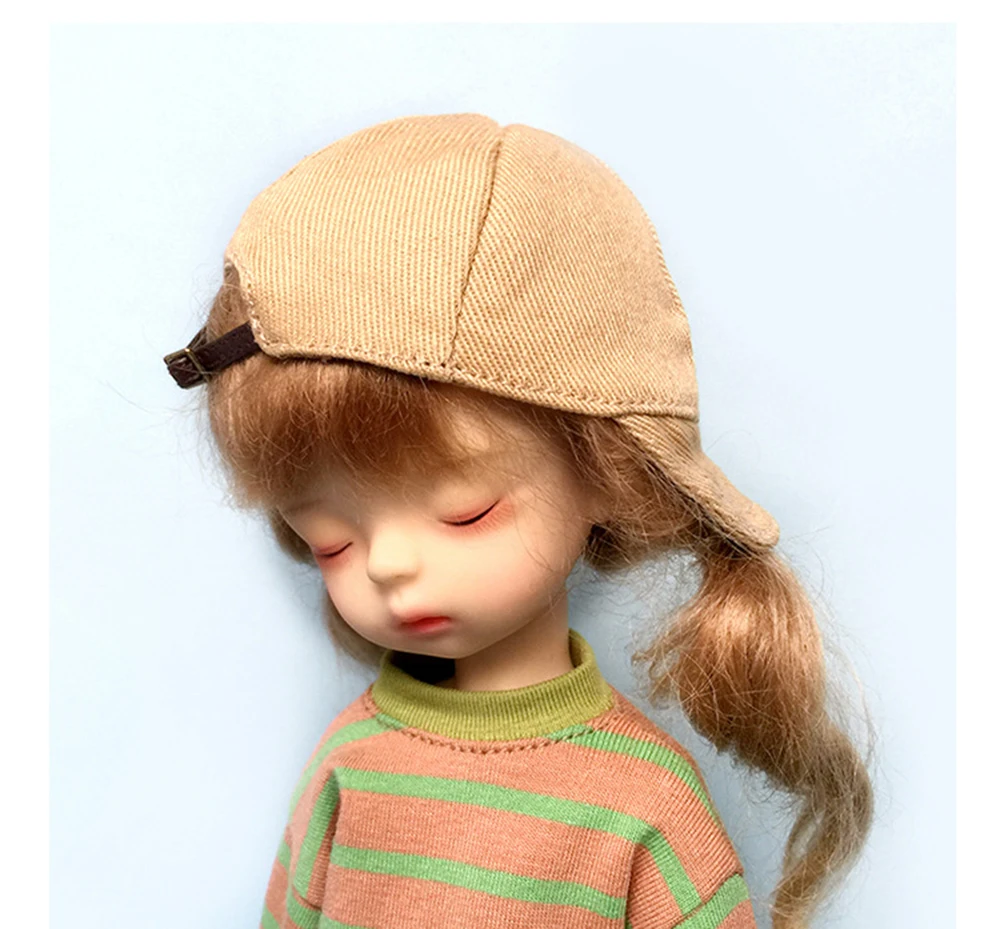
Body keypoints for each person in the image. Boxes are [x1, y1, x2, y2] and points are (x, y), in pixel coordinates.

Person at [164, 112, 873, 929]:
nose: (388, 564)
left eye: (466, 513)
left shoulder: (641, 801)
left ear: (607, 474)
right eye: (331, 540)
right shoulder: (349, 764)